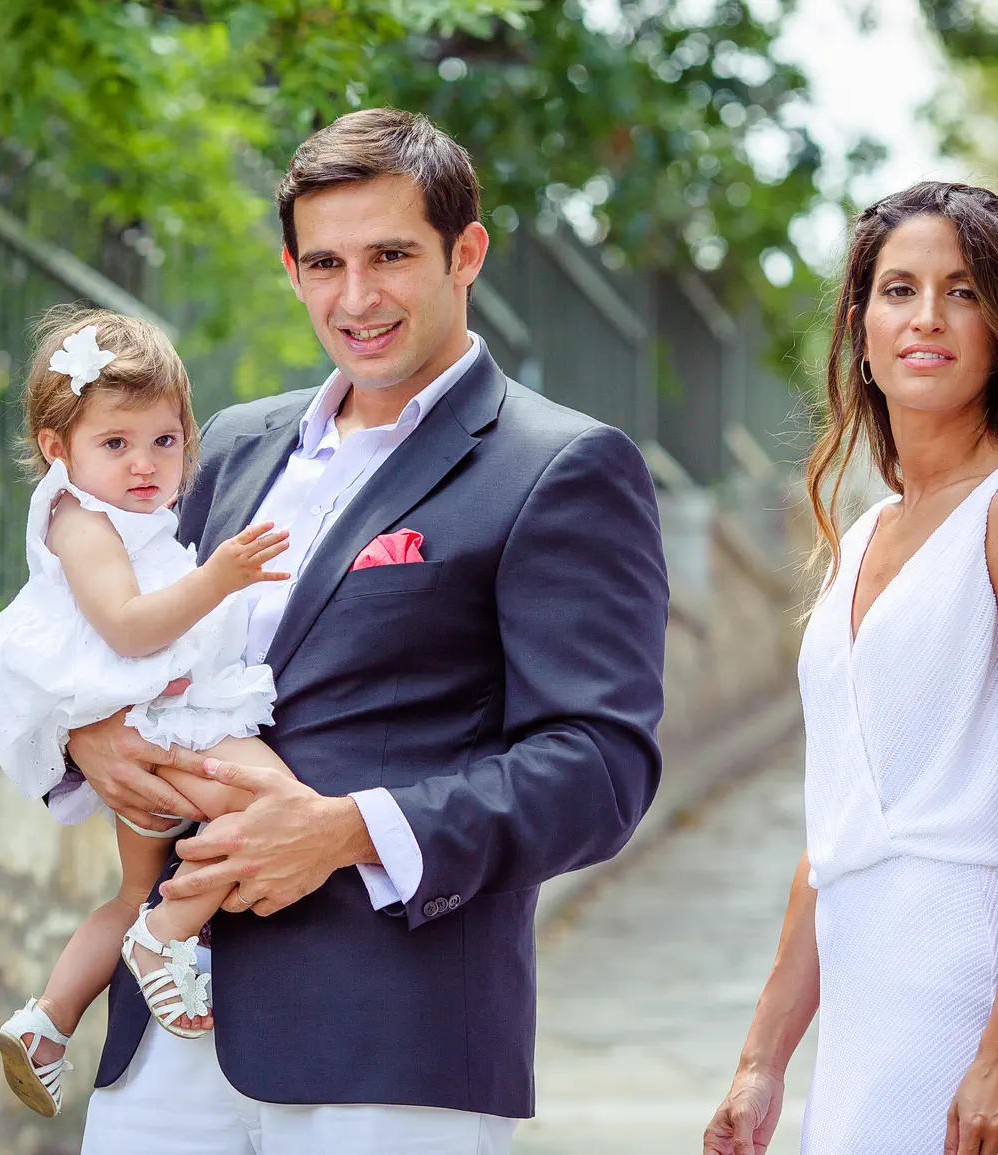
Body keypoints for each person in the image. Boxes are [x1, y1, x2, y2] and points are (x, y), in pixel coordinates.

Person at [64, 108, 670, 1153]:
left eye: (390, 256)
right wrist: (87, 737)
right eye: (325, 264)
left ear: (465, 253)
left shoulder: (559, 466)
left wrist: (347, 830)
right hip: (165, 1032)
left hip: (392, 1041)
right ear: (292, 271)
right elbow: (113, 640)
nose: (356, 297)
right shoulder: (230, 447)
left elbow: (598, 770)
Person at [704, 182, 998, 1155]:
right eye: (899, 290)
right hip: (864, 1000)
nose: (927, 317)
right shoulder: (867, 534)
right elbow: (836, 831)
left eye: (963, 292)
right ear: (861, 331)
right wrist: (762, 1056)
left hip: (968, 988)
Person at [0, 306, 300, 1118]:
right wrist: (218, 578)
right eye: (115, 443)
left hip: (150, 721)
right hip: (159, 721)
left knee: (131, 890)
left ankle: (47, 1023)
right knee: (275, 804)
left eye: (165, 440)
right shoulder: (80, 520)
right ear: (57, 449)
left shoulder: (131, 516)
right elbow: (127, 627)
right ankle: (170, 933)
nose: (145, 463)